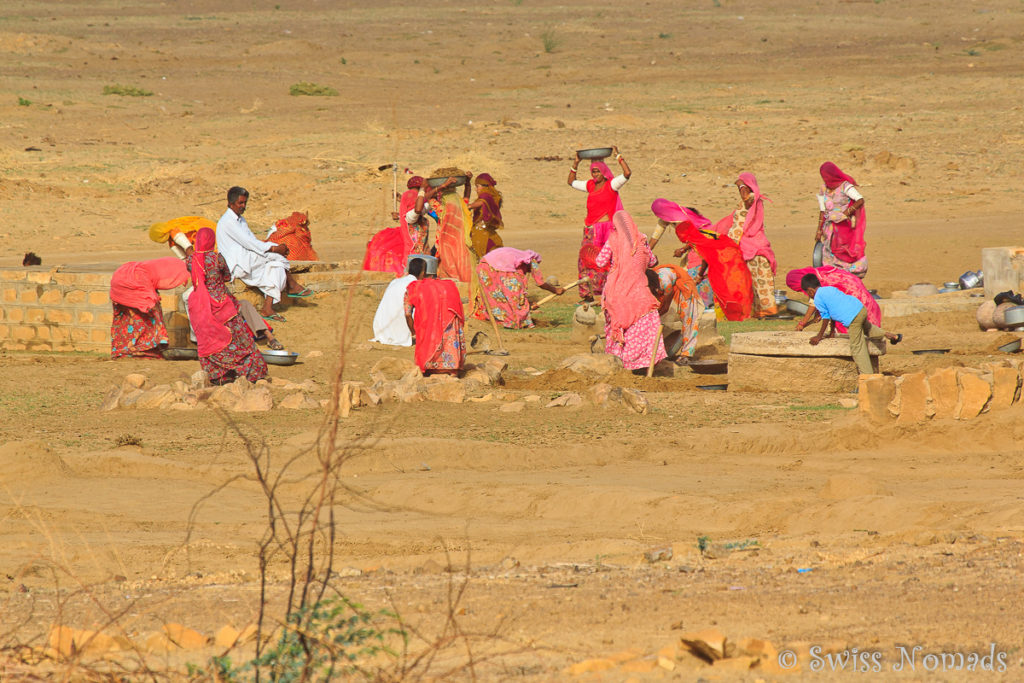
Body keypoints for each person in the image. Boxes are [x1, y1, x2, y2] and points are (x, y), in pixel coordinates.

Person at [216, 186, 311, 322]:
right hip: (238, 263)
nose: (243, 206)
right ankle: (292, 286)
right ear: (231, 204)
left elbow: (253, 241)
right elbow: (250, 243)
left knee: (277, 265)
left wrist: (275, 248)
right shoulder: (228, 222)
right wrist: (275, 249)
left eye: (245, 203)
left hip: (248, 259)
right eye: (240, 203)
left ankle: (267, 308)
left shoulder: (241, 220)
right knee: (277, 255)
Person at [187, 228, 269, 384]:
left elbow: (194, 277)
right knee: (239, 339)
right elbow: (227, 276)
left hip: (201, 307)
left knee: (211, 340)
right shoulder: (218, 259)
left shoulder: (191, 260)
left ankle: (219, 376)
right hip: (223, 305)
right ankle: (249, 371)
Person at [651, 198, 753, 321]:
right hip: (719, 250)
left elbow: (705, 256)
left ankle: (722, 313)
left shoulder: (685, 220)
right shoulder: (678, 224)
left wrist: (699, 274)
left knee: (715, 284)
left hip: (718, 254)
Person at [595, 210, 666, 372]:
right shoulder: (642, 240)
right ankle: (641, 363)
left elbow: (600, 262)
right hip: (639, 293)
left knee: (618, 328)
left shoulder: (613, 239)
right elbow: (652, 261)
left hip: (615, 293)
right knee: (645, 325)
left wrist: (617, 263)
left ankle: (619, 363)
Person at [801, 273, 901, 375]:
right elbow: (833, 310)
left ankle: (867, 377)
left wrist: (819, 336)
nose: (809, 296)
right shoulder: (829, 289)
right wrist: (832, 331)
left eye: (807, 293)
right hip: (860, 309)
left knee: (857, 348)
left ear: (810, 291)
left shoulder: (817, 299)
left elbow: (826, 317)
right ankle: (893, 336)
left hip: (853, 318)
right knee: (868, 329)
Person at [568, 146, 631, 301]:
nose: (595, 174)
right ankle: (587, 294)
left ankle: (608, 293)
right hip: (590, 230)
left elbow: (627, 174)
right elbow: (571, 181)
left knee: (605, 261)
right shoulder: (590, 186)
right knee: (585, 260)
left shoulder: (611, 185)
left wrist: (618, 157)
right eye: (593, 172)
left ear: (603, 172)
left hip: (606, 231)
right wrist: (575, 163)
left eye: (597, 171)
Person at [714, 173, 777, 317]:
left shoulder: (753, 198)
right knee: (746, 280)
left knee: (760, 281)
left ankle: (766, 311)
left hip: (754, 245)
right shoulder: (745, 202)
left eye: (743, 186)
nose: (740, 189)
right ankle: (750, 311)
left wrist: (742, 184)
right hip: (741, 245)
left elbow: (746, 197)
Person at [109, 257, 188, 358]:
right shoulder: (142, 274)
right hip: (132, 281)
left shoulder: (149, 269)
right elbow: (151, 301)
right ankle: (144, 350)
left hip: (118, 282)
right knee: (150, 316)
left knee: (127, 319)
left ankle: (124, 350)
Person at [472, 247, 563, 329]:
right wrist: (555, 290)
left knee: (495, 296)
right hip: (498, 266)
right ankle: (518, 321)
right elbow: (540, 283)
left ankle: (500, 320)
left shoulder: (519, 256)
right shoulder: (532, 260)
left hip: (483, 266)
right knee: (515, 294)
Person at [363, 177, 433, 276]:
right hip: (417, 258)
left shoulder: (416, 208)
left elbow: (417, 210)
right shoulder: (415, 211)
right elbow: (415, 211)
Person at [404, 268, 465, 375]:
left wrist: (413, 331)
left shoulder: (414, 288)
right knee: (449, 332)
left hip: (429, 325)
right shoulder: (450, 286)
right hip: (449, 322)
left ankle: (430, 366)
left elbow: (408, 313)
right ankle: (452, 367)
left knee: (427, 332)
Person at [786, 266, 881, 334]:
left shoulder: (821, 281)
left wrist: (802, 323)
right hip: (860, 297)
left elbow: (813, 303)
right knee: (869, 330)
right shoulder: (820, 273)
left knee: (850, 333)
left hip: (854, 300)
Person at [816, 162, 868, 277]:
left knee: (844, 251)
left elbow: (860, 200)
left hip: (843, 228)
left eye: (827, 175)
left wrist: (845, 214)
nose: (825, 178)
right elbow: (822, 211)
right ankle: (833, 275)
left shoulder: (845, 186)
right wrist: (819, 231)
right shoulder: (823, 189)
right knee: (828, 252)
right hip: (829, 229)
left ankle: (851, 273)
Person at [648, 264, 703, 363]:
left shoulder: (665, 282)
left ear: (652, 284)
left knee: (689, 320)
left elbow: (665, 307)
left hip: (685, 288)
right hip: (675, 288)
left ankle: (687, 354)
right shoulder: (654, 283)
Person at [371, 257, 424, 346]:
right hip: (400, 332)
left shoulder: (395, 281)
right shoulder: (415, 285)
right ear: (422, 273)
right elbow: (408, 314)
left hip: (381, 329)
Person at [433, 170, 474, 282]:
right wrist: (467, 183)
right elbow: (467, 195)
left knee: (450, 272)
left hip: (448, 242)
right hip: (459, 241)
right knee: (461, 271)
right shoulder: (460, 204)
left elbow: (428, 198)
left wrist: (442, 186)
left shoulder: (442, 207)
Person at [466, 173, 504, 258]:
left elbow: (482, 201)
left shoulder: (486, 196)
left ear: (485, 186)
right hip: (489, 233)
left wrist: (469, 206)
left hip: (481, 234)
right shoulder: (494, 197)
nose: (476, 189)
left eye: (478, 186)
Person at [149, 216, 217, 259]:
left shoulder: (174, 232)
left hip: (207, 232)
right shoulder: (171, 239)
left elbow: (189, 249)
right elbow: (183, 258)